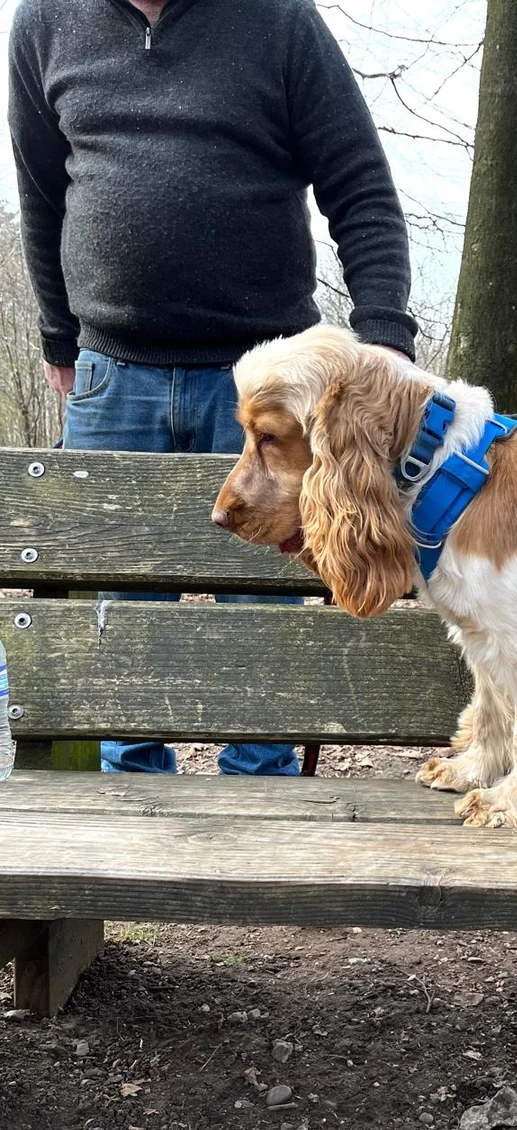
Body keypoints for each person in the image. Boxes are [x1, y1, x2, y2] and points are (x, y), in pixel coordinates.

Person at [8, 0, 416, 776]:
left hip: (269, 393)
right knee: (117, 627)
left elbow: (360, 188)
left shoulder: (280, 21)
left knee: (265, 618)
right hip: (110, 379)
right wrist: (58, 337)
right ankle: (135, 821)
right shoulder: (43, 23)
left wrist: (385, 344)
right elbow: (41, 193)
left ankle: (262, 818)